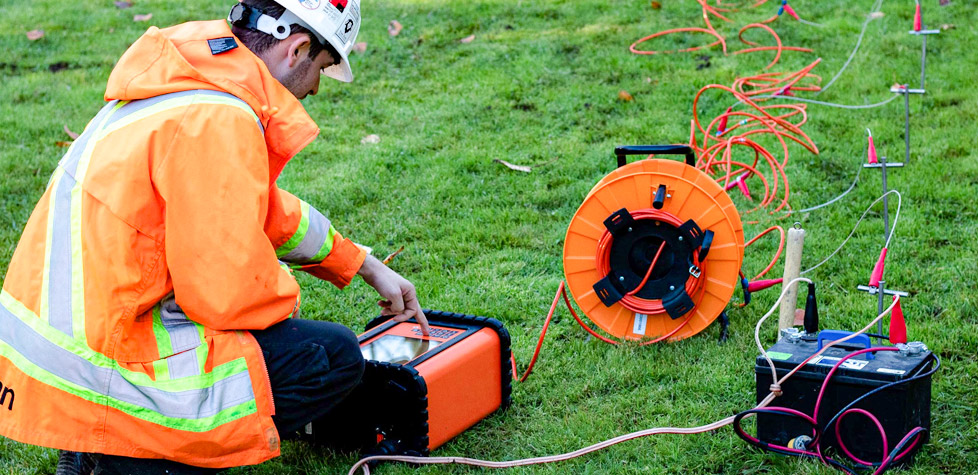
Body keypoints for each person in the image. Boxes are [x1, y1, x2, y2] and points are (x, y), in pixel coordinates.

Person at [0, 0, 429, 473]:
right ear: (298, 48)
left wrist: (362, 264)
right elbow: (228, 297)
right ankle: (134, 456)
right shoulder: (220, 120)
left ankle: (95, 442)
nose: (315, 88)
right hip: (108, 361)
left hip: (62, 356)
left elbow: (258, 207)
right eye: (322, 68)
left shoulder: (188, 82)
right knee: (328, 355)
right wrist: (287, 303)